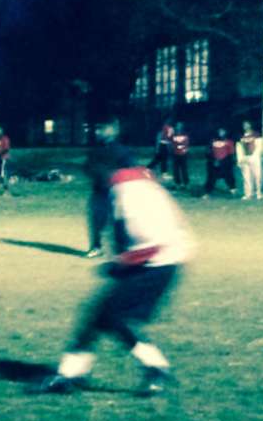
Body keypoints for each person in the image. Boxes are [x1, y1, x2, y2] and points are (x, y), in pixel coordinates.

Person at [37, 166, 193, 395]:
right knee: (100, 315)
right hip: (163, 260)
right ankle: (70, 373)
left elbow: (149, 243)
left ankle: (156, 368)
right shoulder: (143, 186)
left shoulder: (126, 193)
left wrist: (119, 264)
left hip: (157, 264)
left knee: (113, 317)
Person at [84, 119, 134, 258]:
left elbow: (130, 169)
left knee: (119, 221)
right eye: (99, 129)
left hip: (117, 191)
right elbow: (87, 167)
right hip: (99, 191)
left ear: (113, 131)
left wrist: (115, 178)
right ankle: (96, 246)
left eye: (104, 129)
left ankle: (123, 249)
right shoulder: (95, 150)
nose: (99, 132)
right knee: (96, 219)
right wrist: (95, 173)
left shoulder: (122, 150)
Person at [202, 127, 236, 198]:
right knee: (211, 177)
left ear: (226, 132)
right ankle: (207, 192)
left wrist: (230, 161)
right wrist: (212, 159)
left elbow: (231, 153)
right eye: (220, 131)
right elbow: (208, 151)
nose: (221, 133)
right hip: (214, 162)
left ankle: (233, 190)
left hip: (225, 163)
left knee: (228, 176)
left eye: (223, 131)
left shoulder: (229, 141)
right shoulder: (213, 141)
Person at [237, 120, 263, 201]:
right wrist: (240, 159)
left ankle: (258, 193)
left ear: (250, 125)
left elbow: (259, 146)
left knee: (257, 176)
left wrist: (255, 156)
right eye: (244, 125)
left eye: (247, 124)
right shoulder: (241, 136)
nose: (245, 126)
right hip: (245, 158)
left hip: (254, 158)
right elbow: (239, 148)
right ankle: (248, 194)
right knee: (246, 177)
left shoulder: (256, 134)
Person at [170, 123, 190, 190]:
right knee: (176, 170)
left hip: (183, 154)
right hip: (175, 154)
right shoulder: (173, 135)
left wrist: (182, 148)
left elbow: (186, 145)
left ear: (182, 127)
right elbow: (172, 144)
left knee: (184, 169)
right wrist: (173, 148)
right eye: (177, 126)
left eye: (180, 126)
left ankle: (185, 183)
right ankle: (177, 183)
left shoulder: (185, 135)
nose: (178, 127)